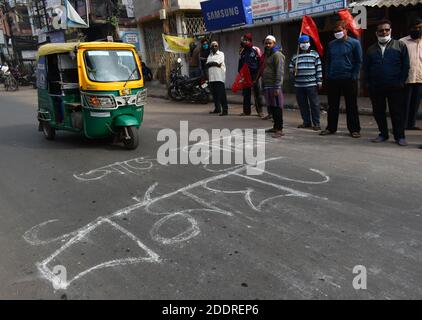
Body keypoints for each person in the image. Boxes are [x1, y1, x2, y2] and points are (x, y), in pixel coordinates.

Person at [365, 20, 410, 146]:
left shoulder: (400, 45)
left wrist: (401, 81)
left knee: (397, 112)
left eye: (386, 29)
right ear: (376, 33)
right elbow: (367, 68)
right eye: (381, 30)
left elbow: (406, 66)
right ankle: (383, 134)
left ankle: (399, 136)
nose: (384, 32)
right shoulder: (371, 49)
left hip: (395, 86)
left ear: (390, 30)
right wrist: (368, 84)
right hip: (376, 87)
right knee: (378, 112)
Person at [320, 20, 363, 138]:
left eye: (339, 30)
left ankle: (354, 129)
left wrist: (354, 76)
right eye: (335, 31)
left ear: (346, 30)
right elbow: (328, 61)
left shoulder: (354, 43)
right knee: (332, 105)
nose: (337, 33)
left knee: (351, 105)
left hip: (349, 79)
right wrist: (328, 75)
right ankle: (331, 128)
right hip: (333, 79)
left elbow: (358, 61)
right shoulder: (331, 44)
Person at [289, 35, 323, 131]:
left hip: (311, 85)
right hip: (299, 85)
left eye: (306, 42)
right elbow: (290, 67)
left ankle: (316, 123)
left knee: (314, 105)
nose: (304, 44)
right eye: (302, 43)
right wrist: (292, 71)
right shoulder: (295, 56)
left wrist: (319, 81)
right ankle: (306, 122)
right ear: (299, 45)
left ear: (309, 43)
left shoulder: (314, 54)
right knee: (302, 105)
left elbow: (319, 68)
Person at [260, 35, 285, 138]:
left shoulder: (277, 55)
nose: (268, 45)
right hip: (267, 85)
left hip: (274, 86)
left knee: (277, 107)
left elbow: (280, 71)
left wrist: (277, 86)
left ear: (274, 43)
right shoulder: (267, 55)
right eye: (266, 43)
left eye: (270, 43)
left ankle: (279, 129)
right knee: (272, 107)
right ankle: (275, 126)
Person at [400, 17, 422, 131]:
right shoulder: (402, 42)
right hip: (407, 78)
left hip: (420, 78)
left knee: (415, 103)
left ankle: (411, 124)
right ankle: (402, 125)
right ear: (410, 29)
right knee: (405, 103)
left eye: (420, 28)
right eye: (415, 27)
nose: (417, 30)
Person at [238, 33, 264, 117]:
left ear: (250, 40)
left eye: (246, 40)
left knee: (257, 93)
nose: (244, 42)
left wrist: (258, 74)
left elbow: (261, 61)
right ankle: (246, 111)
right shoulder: (242, 51)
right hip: (245, 75)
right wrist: (240, 74)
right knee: (246, 94)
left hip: (254, 75)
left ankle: (260, 111)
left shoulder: (256, 49)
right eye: (243, 40)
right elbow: (240, 63)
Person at [206, 41, 229, 116]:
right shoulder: (210, 55)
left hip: (219, 77)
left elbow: (218, 63)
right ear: (211, 47)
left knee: (222, 95)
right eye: (212, 46)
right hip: (212, 78)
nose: (214, 47)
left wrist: (211, 64)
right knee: (214, 94)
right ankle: (217, 108)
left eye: (216, 46)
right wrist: (213, 63)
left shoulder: (221, 54)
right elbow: (207, 64)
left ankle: (225, 110)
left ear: (218, 47)